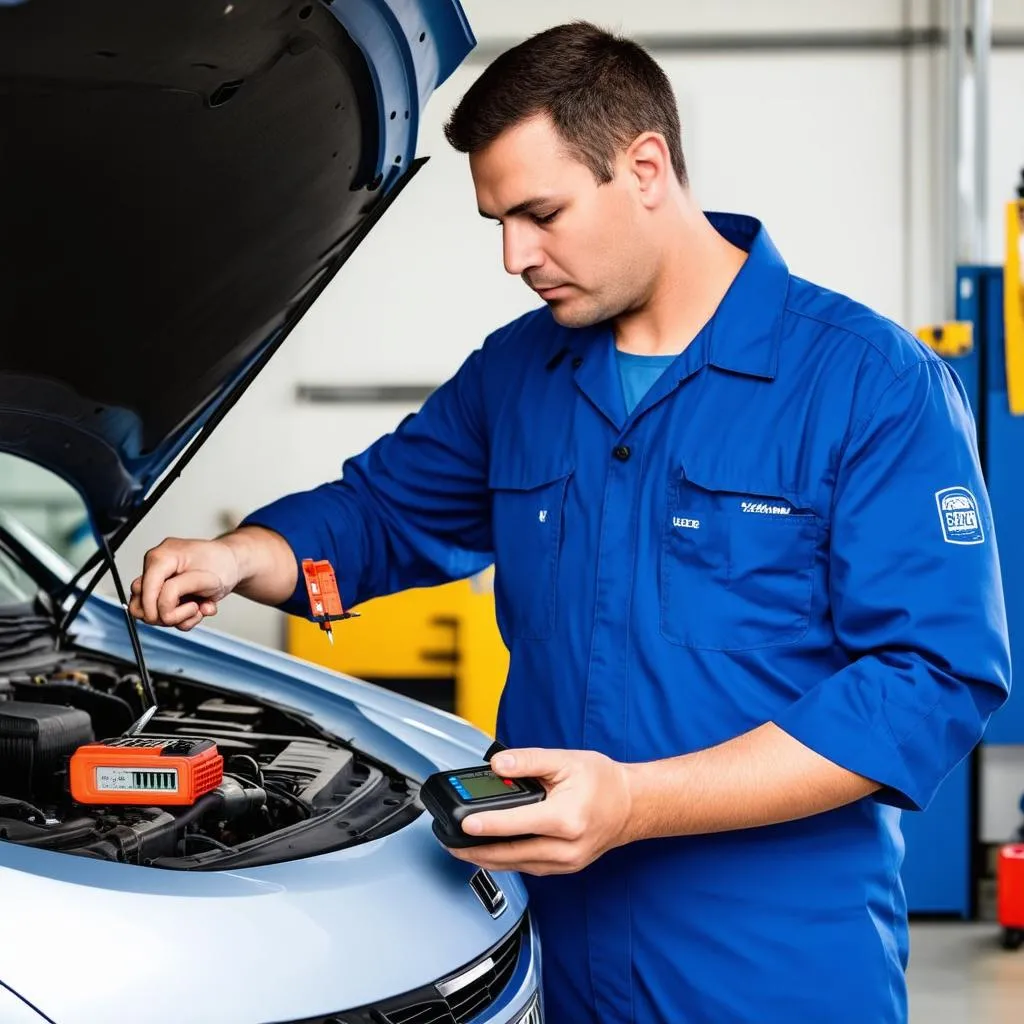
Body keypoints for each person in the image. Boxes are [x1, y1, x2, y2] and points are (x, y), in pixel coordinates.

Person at [130, 21, 1011, 1024]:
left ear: (643, 168)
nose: (514, 256)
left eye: (539, 213)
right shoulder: (518, 374)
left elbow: (930, 677)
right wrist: (245, 550)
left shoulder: (866, 382)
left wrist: (638, 802)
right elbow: (383, 512)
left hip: (772, 959)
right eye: (497, 221)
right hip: (558, 944)